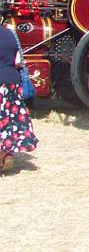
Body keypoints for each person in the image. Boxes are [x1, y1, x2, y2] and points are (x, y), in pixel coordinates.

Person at [0, 20, 38, 172]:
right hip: (11, 81)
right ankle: (5, 153)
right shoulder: (10, 33)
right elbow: (18, 62)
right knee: (8, 119)